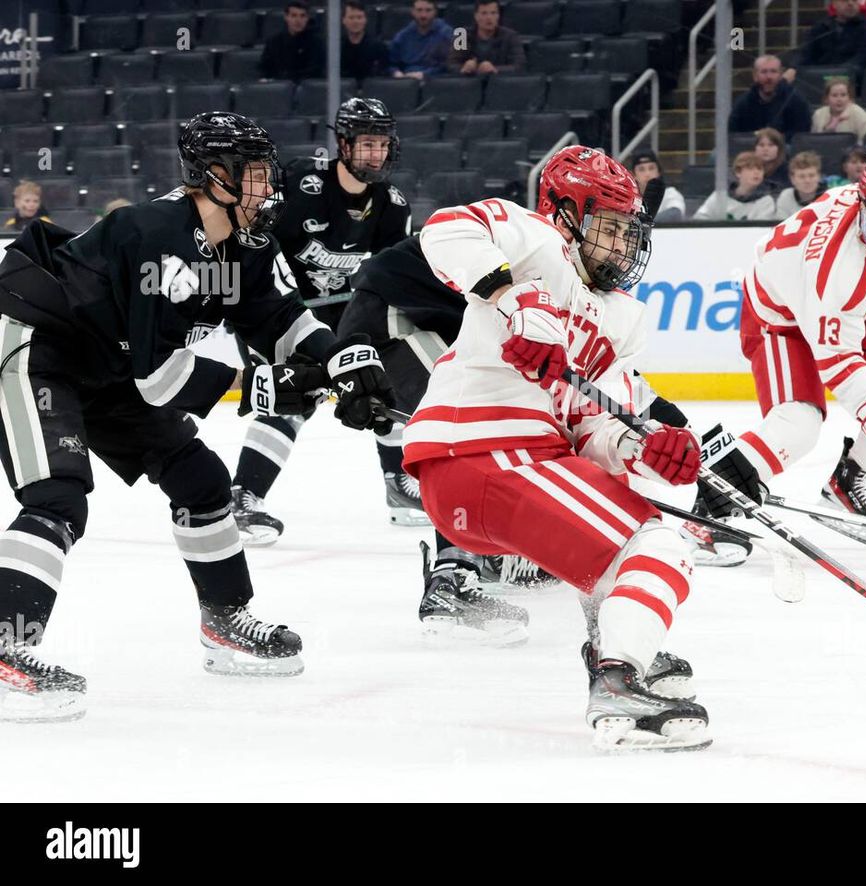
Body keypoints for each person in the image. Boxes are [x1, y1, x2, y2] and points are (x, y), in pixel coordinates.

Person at [0, 112, 396, 722]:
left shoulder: (243, 242)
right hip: (38, 345)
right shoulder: (155, 235)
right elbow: (159, 381)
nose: (268, 189)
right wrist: (264, 383)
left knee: (201, 479)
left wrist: (343, 356)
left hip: (103, 363)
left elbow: (277, 317)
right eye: (256, 176)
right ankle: (3, 648)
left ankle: (225, 622)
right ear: (214, 176)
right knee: (58, 497)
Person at [401, 145, 712, 751]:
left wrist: (642, 448)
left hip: (516, 467)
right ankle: (619, 677)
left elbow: (591, 426)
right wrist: (515, 297)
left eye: (630, 233)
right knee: (659, 545)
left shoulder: (623, 319)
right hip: (481, 454)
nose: (622, 247)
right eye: (609, 229)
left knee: (636, 521)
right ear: (566, 213)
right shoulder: (535, 241)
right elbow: (444, 229)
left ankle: (619, 648)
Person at [696, 157, 866, 544]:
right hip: (778, 320)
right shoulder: (836, 268)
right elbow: (838, 359)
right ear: (863, 210)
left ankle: (847, 486)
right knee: (798, 425)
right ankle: (708, 510)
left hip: (831, 314)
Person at [227, 98, 412, 544]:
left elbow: (389, 277)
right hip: (282, 313)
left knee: (385, 382)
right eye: (367, 143)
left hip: (346, 317)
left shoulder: (392, 206)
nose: (376, 154)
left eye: (382, 144)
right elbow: (256, 245)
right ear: (343, 144)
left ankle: (400, 485)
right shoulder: (302, 185)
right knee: (296, 391)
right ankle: (243, 496)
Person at [729, 55, 812, 142]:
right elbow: (733, 135)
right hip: (751, 149)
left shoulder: (796, 101)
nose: (769, 77)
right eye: (764, 72)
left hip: (786, 149)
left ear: (780, 74)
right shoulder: (743, 103)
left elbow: (802, 135)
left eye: (773, 71)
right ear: (755, 76)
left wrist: (775, 140)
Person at [795, 0, 866, 72]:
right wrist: (793, 68)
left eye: (854, 0)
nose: (850, 3)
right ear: (834, 4)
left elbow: (863, 58)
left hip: (855, 81)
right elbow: (806, 54)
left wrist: (839, 72)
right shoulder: (821, 27)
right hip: (821, 80)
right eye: (844, 0)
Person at [447, 0, 526, 76]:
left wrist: (495, 69)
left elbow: (519, 66)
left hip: (499, 85)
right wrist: (463, 68)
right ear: (476, 16)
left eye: (493, 13)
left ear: (498, 16)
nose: (489, 18)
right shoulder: (462, 36)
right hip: (469, 85)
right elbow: (451, 65)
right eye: (484, 13)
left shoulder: (510, 36)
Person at [693, 152, 778, 221]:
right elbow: (699, 219)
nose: (756, 173)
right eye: (750, 168)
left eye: (759, 169)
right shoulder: (720, 196)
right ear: (738, 173)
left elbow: (761, 231)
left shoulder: (766, 201)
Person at [259, 1, 326, 81]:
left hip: (307, 88)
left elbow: (315, 71)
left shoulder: (316, 43)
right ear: (286, 17)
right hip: (280, 87)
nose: (298, 20)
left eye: (302, 16)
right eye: (294, 16)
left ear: (307, 18)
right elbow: (265, 68)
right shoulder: (273, 42)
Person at [389, 0, 453, 80]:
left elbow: (449, 66)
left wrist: (424, 74)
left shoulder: (447, 34)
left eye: (428, 10)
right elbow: (391, 64)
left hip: (436, 81)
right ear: (412, 12)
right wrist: (396, 73)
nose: (423, 15)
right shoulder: (402, 36)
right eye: (419, 10)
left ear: (435, 12)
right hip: (407, 81)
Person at [810, 77, 866, 142]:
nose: (839, 99)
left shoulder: (860, 116)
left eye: (843, 95)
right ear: (826, 99)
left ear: (849, 98)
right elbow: (814, 142)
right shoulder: (818, 115)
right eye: (834, 95)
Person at [629, 150, 687, 222]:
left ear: (658, 172)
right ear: (633, 175)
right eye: (641, 169)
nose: (647, 174)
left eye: (651, 168)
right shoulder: (629, 197)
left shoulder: (670, 193)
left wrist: (644, 223)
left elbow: (675, 213)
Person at [341, 0, 390, 81]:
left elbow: (383, 75)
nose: (355, 21)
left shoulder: (378, 47)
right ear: (343, 20)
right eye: (351, 17)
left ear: (365, 20)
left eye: (359, 17)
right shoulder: (336, 48)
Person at [775, 152, 829, 216]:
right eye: (801, 176)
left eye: (811, 175)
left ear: (819, 176)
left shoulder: (830, 197)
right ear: (792, 179)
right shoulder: (786, 196)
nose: (807, 180)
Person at [755, 127, 791, 192]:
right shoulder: (748, 169)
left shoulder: (788, 171)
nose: (765, 149)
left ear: (779, 149)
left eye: (771, 145)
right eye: (761, 145)